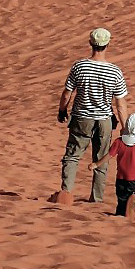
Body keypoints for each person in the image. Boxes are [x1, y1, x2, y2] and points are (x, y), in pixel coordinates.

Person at [55, 28, 128, 204]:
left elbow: (67, 93)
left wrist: (62, 110)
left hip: (81, 119)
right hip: (104, 121)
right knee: (101, 159)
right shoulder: (115, 71)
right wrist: (125, 128)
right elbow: (120, 103)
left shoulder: (80, 66)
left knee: (72, 156)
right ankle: (97, 198)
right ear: (107, 44)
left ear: (90, 43)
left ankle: (66, 193)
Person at [88, 113, 135, 217]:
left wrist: (96, 164)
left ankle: (122, 213)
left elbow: (109, 155)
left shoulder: (119, 142)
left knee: (122, 203)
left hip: (121, 181)